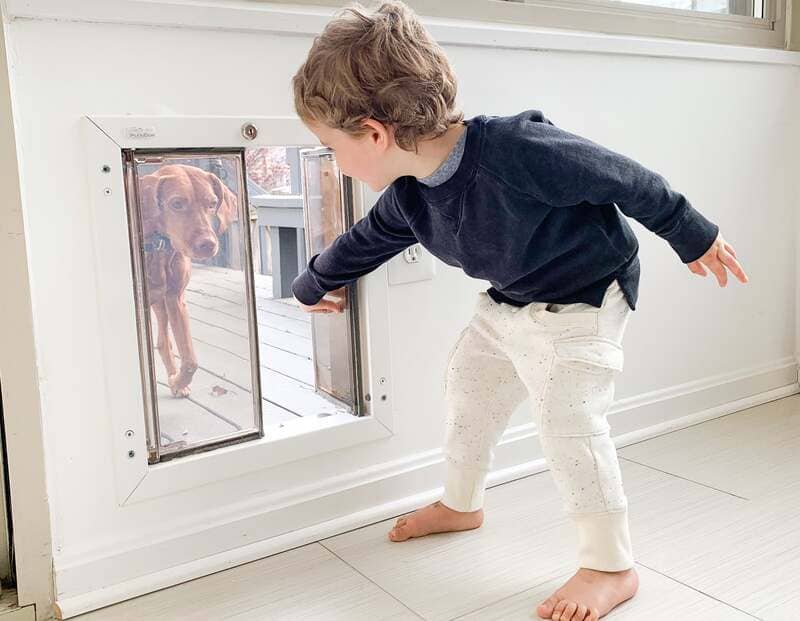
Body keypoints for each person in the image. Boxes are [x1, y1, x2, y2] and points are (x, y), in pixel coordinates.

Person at [289, 2, 749, 619]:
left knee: (568, 423)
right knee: (467, 390)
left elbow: (630, 180)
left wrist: (693, 234)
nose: (333, 161)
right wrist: (314, 282)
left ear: (374, 133)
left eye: (330, 146)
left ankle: (610, 566)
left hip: (587, 295)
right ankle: (461, 504)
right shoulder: (408, 199)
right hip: (510, 302)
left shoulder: (516, 149)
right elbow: (365, 241)